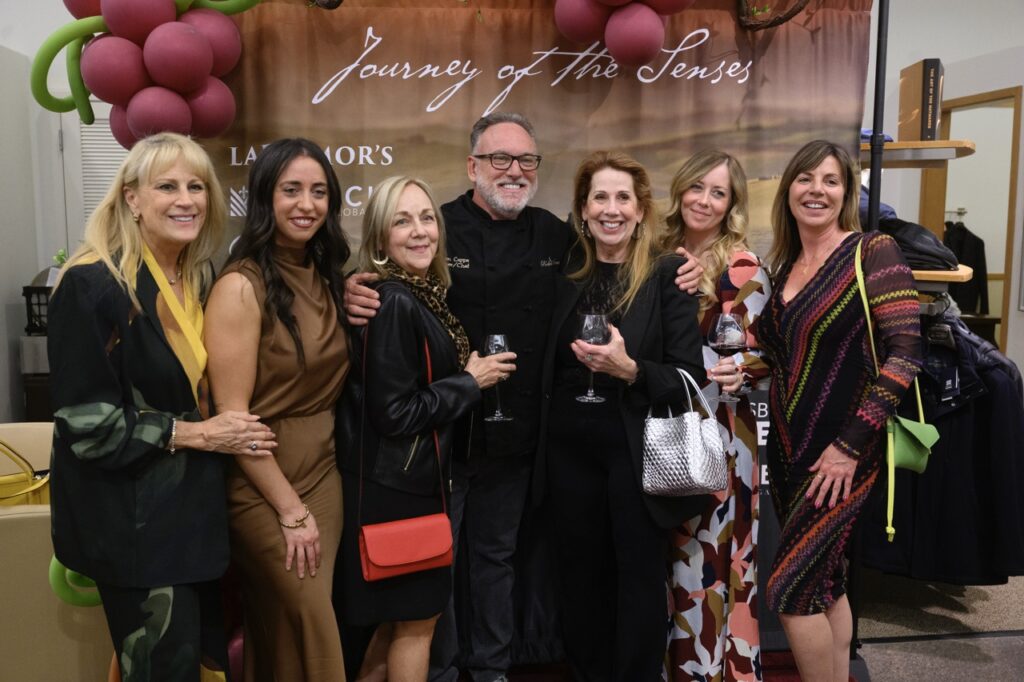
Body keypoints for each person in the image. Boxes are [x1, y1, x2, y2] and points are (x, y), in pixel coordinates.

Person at [343, 113, 704, 682]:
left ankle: (490, 671)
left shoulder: (558, 239)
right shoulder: (438, 228)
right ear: (473, 166)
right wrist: (356, 286)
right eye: (499, 159)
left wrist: (685, 268)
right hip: (447, 438)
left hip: (522, 443)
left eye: (526, 161)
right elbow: (395, 272)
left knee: (495, 562)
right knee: (440, 568)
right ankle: (442, 673)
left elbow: (648, 301)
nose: (514, 171)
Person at [48, 132, 275, 679]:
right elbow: (90, 427)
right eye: (167, 186)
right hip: (132, 528)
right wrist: (200, 434)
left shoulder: (196, 274)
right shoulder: (91, 284)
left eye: (196, 186)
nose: (186, 199)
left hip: (192, 522)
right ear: (132, 198)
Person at [334, 176, 515, 681]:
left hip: (406, 484)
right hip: (401, 490)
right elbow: (394, 414)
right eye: (402, 220)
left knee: (388, 630)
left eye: (427, 218)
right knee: (415, 625)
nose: (420, 232)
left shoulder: (421, 295)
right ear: (379, 238)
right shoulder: (393, 302)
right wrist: (470, 382)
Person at [755, 140, 922, 682]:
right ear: (789, 190)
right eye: (805, 179)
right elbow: (786, 358)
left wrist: (851, 445)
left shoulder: (872, 251)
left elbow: (905, 355)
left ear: (847, 192)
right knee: (824, 582)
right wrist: (748, 369)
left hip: (844, 451)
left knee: (789, 591)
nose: (816, 190)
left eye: (830, 180)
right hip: (788, 450)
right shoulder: (783, 266)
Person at [534, 151, 705, 681]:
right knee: (579, 577)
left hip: (637, 453)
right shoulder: (562, 270)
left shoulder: (667, 273)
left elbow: (687, 377)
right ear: (583, 210)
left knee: (636, 578)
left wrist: (630, 370)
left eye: (622, 198)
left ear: (639, 210)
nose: (611, 209)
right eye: (599, 198)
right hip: (568, 451)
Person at [204, 137, 351, 681]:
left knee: (283, 629)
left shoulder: (326, 273)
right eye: (291, 190)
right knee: (308, 618)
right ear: (266, 197)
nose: (306, 204)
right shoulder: (240, 287)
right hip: (264, 486)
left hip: (324, 476)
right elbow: (234, 420)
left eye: (318, 191)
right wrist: (290, 511)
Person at [659, 150, 771, 681]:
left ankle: (712, 669)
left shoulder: (742, 268)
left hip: (721, 433)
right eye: (697, 187)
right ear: (680, 190)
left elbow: (767, 353)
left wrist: (742, 370)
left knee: (709, 560)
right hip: (662, 425)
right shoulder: (655, 252)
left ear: (732, 206)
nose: (704, 200)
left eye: (718, 192)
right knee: (668, 554)